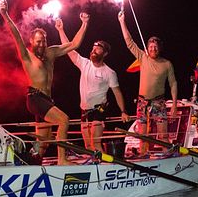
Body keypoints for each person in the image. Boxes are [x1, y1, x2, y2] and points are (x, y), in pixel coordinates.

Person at [0, 0, 88, 165]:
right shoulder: (27, 56)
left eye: (43, 41)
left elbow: (75, 44)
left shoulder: (51, 53)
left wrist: (84, 23)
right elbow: (15, 33)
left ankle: (33, 161)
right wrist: (4, 13)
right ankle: (62, 159)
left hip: (46, 99)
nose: (41, 44)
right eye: (38, 41)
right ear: (32, 42)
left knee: (44, 140)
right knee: (64, 120)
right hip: (34, 98)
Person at [58, 18, 130, 153]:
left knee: (96, 143)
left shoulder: (109, 72)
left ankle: (104, 167)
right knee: (88, 146)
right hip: (84, 111)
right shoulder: (84, 63)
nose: (94, 50)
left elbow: (117, 93)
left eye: (98, 49)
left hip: (99, 110)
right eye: (93, 48)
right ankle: (95, 166)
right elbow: (69, 49)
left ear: (105, 53)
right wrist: (60, 29)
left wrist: (123, 111)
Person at [118, 10, 178, 155]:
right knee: (142, 132)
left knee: (163, 132)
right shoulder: (142, 57)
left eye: (155, 46)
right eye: (150, 46)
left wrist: (174, 104)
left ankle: (167, 152)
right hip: (142, 102)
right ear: (147, 48)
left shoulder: (167, 64)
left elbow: (173, 83)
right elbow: (129, 42)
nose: (153, 48)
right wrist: (122, 21)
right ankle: (143, 153)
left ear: (160, 48)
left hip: (159, 102)